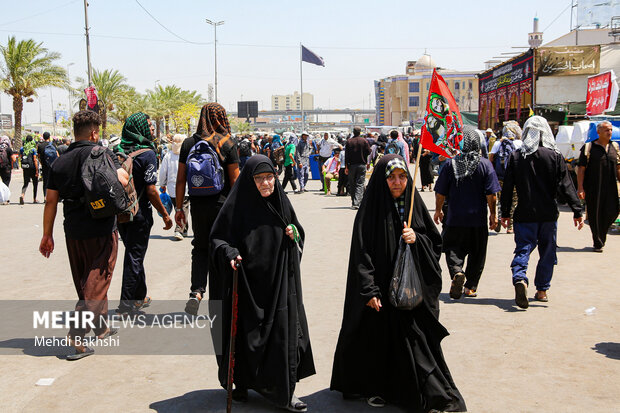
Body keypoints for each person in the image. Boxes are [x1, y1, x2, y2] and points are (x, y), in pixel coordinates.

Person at [331, 154, 466, 412]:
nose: (397, 182)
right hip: (380, 292)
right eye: (391, 177)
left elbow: (435, 243)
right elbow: (362, 254)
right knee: (378, 341)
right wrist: (369, 289)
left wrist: (418, 239)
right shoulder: (371, 211)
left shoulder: (414, 206)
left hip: (409, 292)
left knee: (414, 342)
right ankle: (379, 388)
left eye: (402, 177)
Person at [209, 155, 315, 412]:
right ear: (249, 180)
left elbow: (298, 230)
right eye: (259, 178)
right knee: (245, 338)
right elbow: (218, 241)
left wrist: (293, 232)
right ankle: (242, 383)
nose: (266, 183)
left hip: (279, 285)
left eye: (270, 177)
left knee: (282, 336)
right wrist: (230, 254)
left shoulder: (281, 202)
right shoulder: (236, 207)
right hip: (246, 285)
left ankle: (285, 392)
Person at [38, 110, 129, 360]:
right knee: (98, 278)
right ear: (94, 132)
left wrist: (47, 235)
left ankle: (101, 327)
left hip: (73, 230)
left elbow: (50, 201)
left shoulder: (60, 161)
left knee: (86, 280)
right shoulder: (102, 153)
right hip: (101, 227)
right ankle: (77, 334)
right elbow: (121, 179)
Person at [501, 116, 583, 308]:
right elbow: (566, 186)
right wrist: (577, 211)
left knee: (523, 248)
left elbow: (507, 188)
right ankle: (542, 290)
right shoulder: (555, 156)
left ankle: (520, 277)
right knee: (547, 251)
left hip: (524, 214)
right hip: (548, 215)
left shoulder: (516, 157)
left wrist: (505, 213)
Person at [175, 103, 240, 316]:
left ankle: (196, 292)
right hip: (223, 206)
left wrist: (178, 208)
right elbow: (235, 180)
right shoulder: (227, 143)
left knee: (200, 248)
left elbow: (181, 179)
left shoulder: (189, 143)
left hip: (197, 205)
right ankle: (220, 298)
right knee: (222, 247)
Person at [116, 112, 173, 315]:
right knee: (134, 256)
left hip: (121, 213)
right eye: (148, 125)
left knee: (133, 253)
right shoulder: (147, 153)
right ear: (140, 128)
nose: (151, 129)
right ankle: (125, 304)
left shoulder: (117, 150)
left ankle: (140, 296)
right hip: (139, 214)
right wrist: (165, 214)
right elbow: (150, 190)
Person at [434, 126, 501, 299]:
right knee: (477, 253)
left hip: (454, 217)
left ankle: (457, 272)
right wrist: (493, 215)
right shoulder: (485, 165)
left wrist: (438, 210)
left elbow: (440, 192)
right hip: (477, 219)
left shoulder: (450, 163)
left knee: (452, 248)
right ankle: (470, 287)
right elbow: (491, 195)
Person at [577, 121, 620, 252]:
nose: (609, 132)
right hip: (593, 188)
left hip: (611, 188)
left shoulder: (615, 147)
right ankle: (598, 241)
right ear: (598, 132)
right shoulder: (589, 147)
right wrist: (580, 188)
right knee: (595, 214)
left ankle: (601, 234)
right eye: (606, 130)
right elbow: (581, 169)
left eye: (611, 130)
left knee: (613, 211)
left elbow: (618, 167)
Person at [489, 126, 521, 234]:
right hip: (515, 178)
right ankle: (510, 226)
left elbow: (491, 158)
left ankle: (498, 219)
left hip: (500, 177)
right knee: (514, 201)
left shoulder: (498, 143)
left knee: (500, 199)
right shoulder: (518, 143)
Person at [159, 134, 189, 241]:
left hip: (172, 189)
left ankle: (183, 229)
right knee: (182, 208)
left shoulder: (168, 155)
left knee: (179, 207)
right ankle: (179, 229)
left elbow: (163, 172)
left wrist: (162, 184)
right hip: (185, 188)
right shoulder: (187, 155)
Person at [345, 126, 371, 209]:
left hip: (351, 166)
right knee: (359, 184)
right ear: (360, 133)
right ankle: (356, 203)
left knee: (352, 184)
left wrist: (346, 167)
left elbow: (346, 156)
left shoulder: (349, 142)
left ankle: (355, 201)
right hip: (361, 165)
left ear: (353, 132)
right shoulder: (364, 141)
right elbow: (369, 151)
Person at [37, 132, 57, 201]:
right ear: (49, 137)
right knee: (53, 181)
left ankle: (45, 197)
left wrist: (41, 163)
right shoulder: (53, 144)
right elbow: (56, 155)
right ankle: (53, 197)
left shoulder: (40, 145)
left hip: (44, 166)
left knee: (45, 182)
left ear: (43, 137)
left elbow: (38, 156)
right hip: (52, 165)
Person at [19, 135, 39, 204]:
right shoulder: (33, 149)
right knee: (35, 183)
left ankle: (22, 195)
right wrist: (37, 170)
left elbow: (21, 158)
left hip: (26, 167)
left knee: (25, 183)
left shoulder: (22, 148)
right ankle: (34, 199)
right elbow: (35, 160)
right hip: (32, 167)